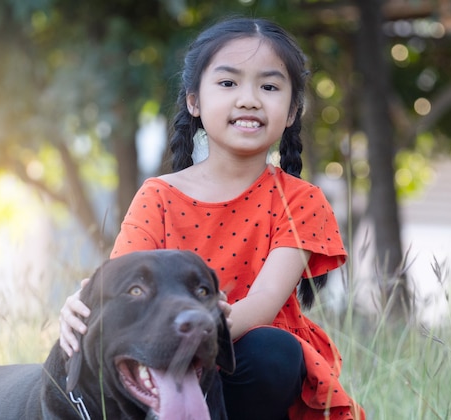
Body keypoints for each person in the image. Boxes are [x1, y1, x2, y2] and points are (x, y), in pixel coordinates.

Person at [60, 17, 365, 420]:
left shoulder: (300, 200)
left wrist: (193, 332)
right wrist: (83, 306)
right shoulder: (159, 196)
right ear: (194, 101)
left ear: (292, 111)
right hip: (166, 353)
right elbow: (124, 281)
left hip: (248, 365)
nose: (249, 99)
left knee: (273, 351)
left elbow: (262, 304)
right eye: (228, 83)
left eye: (269, 87)